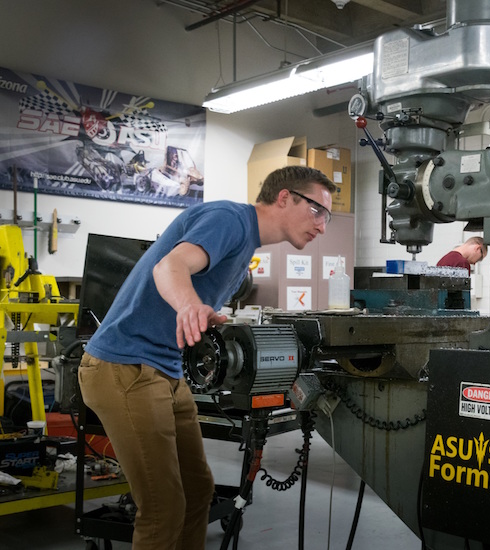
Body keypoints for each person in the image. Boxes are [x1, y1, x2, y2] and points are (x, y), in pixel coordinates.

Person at [78, 165, 335, 550]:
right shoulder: (229, 220)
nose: (322, 226)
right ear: (285, 198)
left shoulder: (245, 243)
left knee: (199, 492)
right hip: (126, 367)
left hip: (164, 370)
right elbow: (171, 266)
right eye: (318, 211)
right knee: (162, 508)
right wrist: (188, 307)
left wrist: (202, 314)